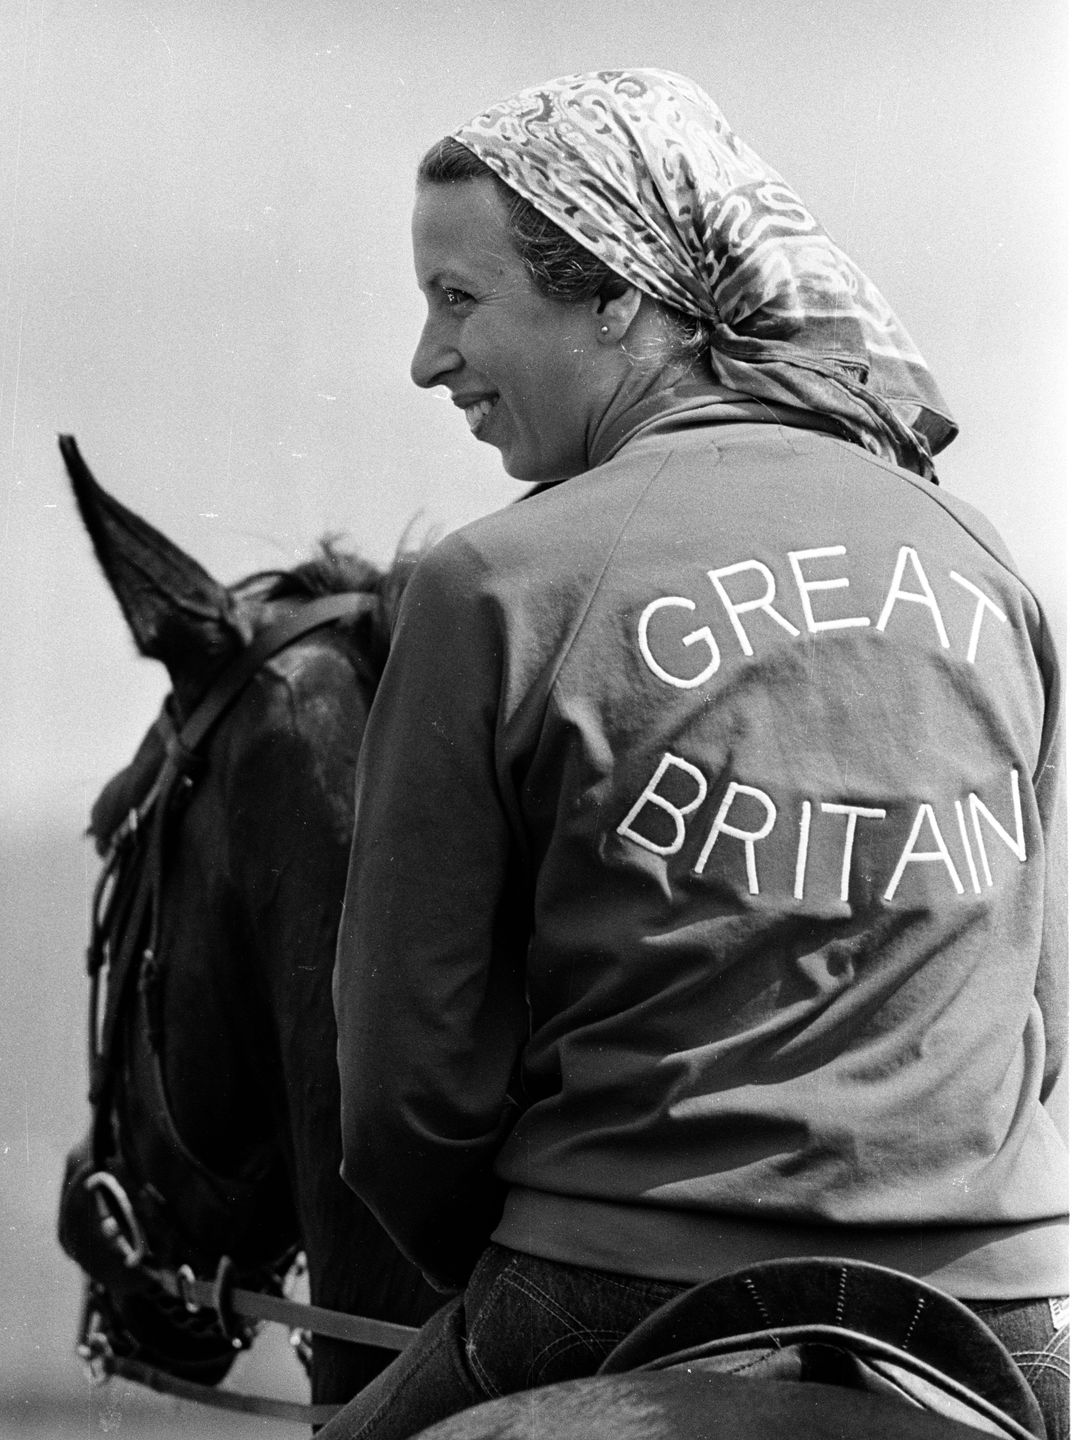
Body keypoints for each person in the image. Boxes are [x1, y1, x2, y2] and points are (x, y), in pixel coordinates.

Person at [326, 69, 1068, 1439]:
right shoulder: (983, 565)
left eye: (459, 299)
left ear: (619, 297)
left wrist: (491, 1274)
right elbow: (1039, 1018)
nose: (428, 360)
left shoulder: (496, 584)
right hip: (1001, 1311)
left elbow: (401, 1088)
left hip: (613, 1276)